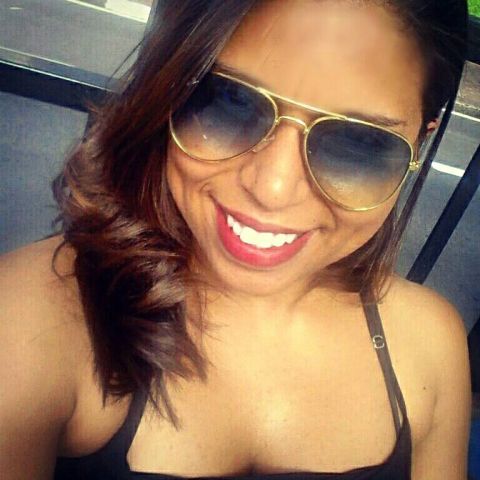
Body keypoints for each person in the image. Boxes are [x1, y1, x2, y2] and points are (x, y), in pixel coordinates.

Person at [0, 0, 473, 479]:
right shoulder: (32, 319)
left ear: (420, 143)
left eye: (359, 141)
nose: (272, 188)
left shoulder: (430, 346)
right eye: (229, 101)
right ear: (167, 92)